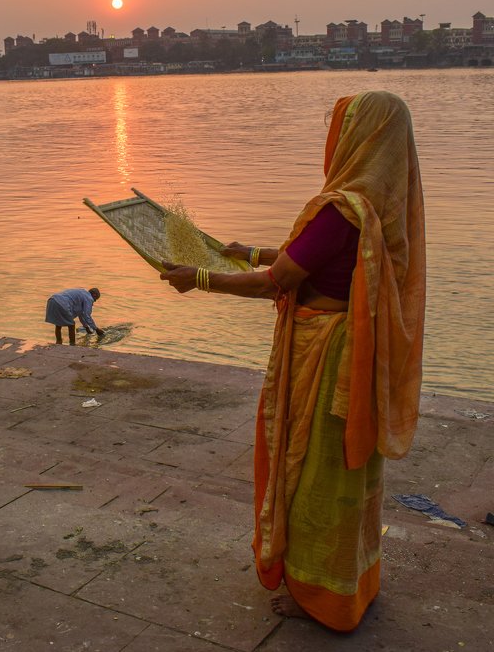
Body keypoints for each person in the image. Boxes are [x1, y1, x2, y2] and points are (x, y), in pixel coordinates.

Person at [158, 91, 425, 632]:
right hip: (359, 356)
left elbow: (276, 283)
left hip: (325, 357)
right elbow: (312, 259)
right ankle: (356, 584)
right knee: (352, 478)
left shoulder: (341, 207)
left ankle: (317, 596)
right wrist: (250, 251)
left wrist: (202, 278)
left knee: (311, 474)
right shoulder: (385, 204)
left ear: (356, 137)